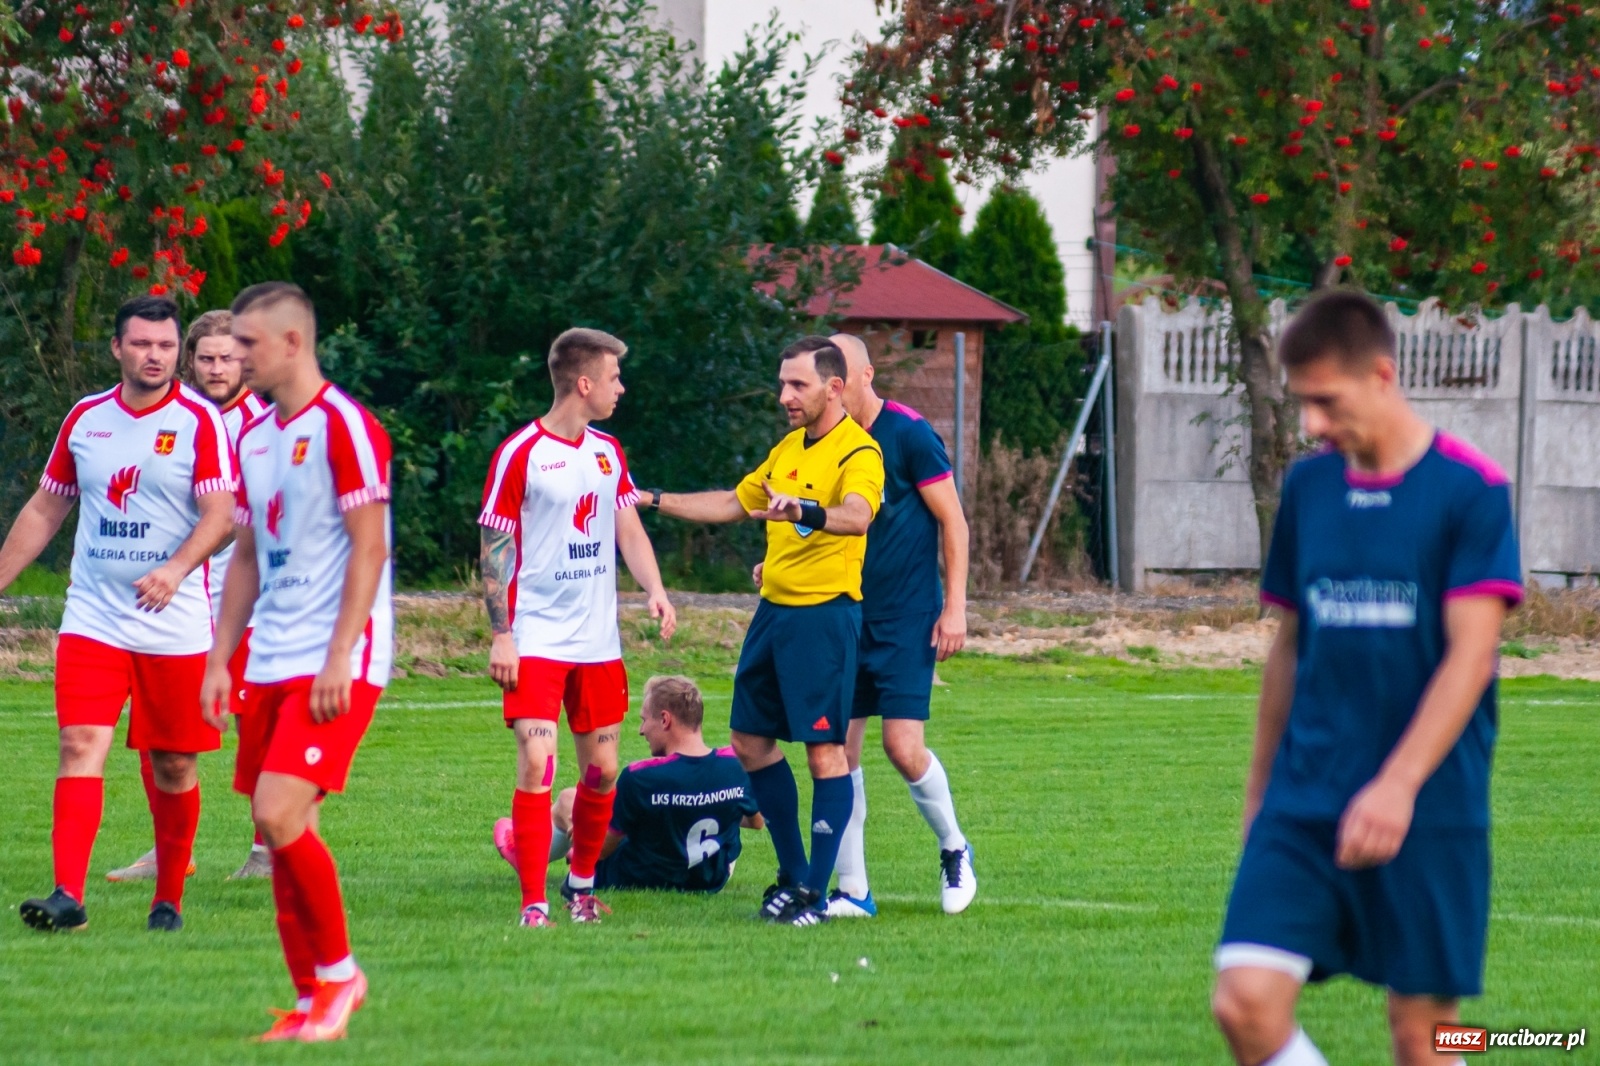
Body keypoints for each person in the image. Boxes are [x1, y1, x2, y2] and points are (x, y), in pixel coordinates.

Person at [1210, 291, 1521, 1066]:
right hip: (1305, 798)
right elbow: (1289, 648)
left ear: (1382, 375)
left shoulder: (1470, 491)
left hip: (1430, 808)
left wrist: (1398, 785)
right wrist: (1257, 796)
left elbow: (1471, 656)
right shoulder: (1309, 491)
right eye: (1303, 403)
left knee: (1425, 1042)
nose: (1312, 423)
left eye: (1325, 401)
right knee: (1244, 1001)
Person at [0, 295, 236, 933]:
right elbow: (48, 507)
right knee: (79, 744)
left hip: (176, 623)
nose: (154, 355)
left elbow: (222, 514)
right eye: (141, 344)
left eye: (165, 345)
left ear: (175, 351)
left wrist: (175, 568)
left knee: (174, 763)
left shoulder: (199, 421)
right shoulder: (86, 419)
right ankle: (67, 897)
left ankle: (169, 898)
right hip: (93, 618)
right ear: (117, 348)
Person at [201, 281, 394, 1043]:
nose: (233, 356)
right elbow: (246, 554)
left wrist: (340, 654)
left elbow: (371, 546)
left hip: (336, 656)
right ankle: (312, 998)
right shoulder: (252, 437)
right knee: (277, 822)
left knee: (279, 813)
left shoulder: (346, 425)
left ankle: (342, 979)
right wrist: (222, 659)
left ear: (290, 343)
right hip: (272, 653)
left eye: (246, 343)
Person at [643, 336, 885, 926]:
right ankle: (793, 876)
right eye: (782, 384)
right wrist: (648, 498)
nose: (785, 396)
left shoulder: (859, 452)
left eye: (797, 385)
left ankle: (815, 896)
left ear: (833, 387)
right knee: (750, 742)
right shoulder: (788, 449)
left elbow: (858, 516)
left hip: (824, 620)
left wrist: (802, 512)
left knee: (825, 754)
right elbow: (732, 501)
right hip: (774, 616)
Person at [478, 327, 676, 928]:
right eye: (614, 377)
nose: (622, 387)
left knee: (604, 771)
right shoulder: (521, 453)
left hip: (596, 643)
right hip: (535, 639)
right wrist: (501, 632)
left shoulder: (609, 452)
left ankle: (581, 888)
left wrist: (656, 590)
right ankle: (532, 903)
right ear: (584, 383)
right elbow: (495, 545)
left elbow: (627, 528)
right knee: (538, 764)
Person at [109, 309, 274, 884]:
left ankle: (267, 848)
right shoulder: (176, 417)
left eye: (229, 358)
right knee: (157, 729)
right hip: (177, 601)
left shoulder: (267, 425)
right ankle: (168, 849)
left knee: (255, 726)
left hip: (247, 604)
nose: (217, 368)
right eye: (205, 357)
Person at [824, 331, 977, 918]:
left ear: (864, 376)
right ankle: (854, 891)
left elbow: (954, 523)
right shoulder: (822, 441)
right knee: (836, 752)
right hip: (841, 613)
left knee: (903, 747)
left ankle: (954, 847)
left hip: (907, 616)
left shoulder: (908, 432)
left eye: (841, 375)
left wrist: (955, 606)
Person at [494, 675, 763, 893]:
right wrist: (700, 803)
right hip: (710, 879)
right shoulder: (734, 764)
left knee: (568, 800)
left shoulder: (641, 776)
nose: (641, 730)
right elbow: (756, 822)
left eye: (644, 720)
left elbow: (602, 850)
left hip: (638, 876)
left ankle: (526, 853)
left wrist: (580, 844)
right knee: (721, 814)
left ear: (665, 720)